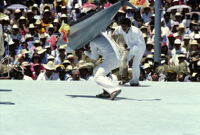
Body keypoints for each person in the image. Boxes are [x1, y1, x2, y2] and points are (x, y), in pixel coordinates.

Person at [84, 32, 122, 100]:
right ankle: (106, 92)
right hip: (118, 59)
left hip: (111, 59)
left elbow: (95, 57)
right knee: (96, 71)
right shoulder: (104, 35)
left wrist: (85, 51)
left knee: (97, 77)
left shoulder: (93, 42)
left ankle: (114, 89)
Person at [112, 18, 146, 86]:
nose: (123, 28)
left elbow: (138, 44)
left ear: (129, 26)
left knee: (135, 65)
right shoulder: (119, 28)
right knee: (123, 61)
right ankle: (124, 78)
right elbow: (114, 35)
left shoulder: (135, 31)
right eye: (122, 26)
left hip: (139, 47)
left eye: (125, 26)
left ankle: (135, 81)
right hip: (129, 47)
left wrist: (127, 49)